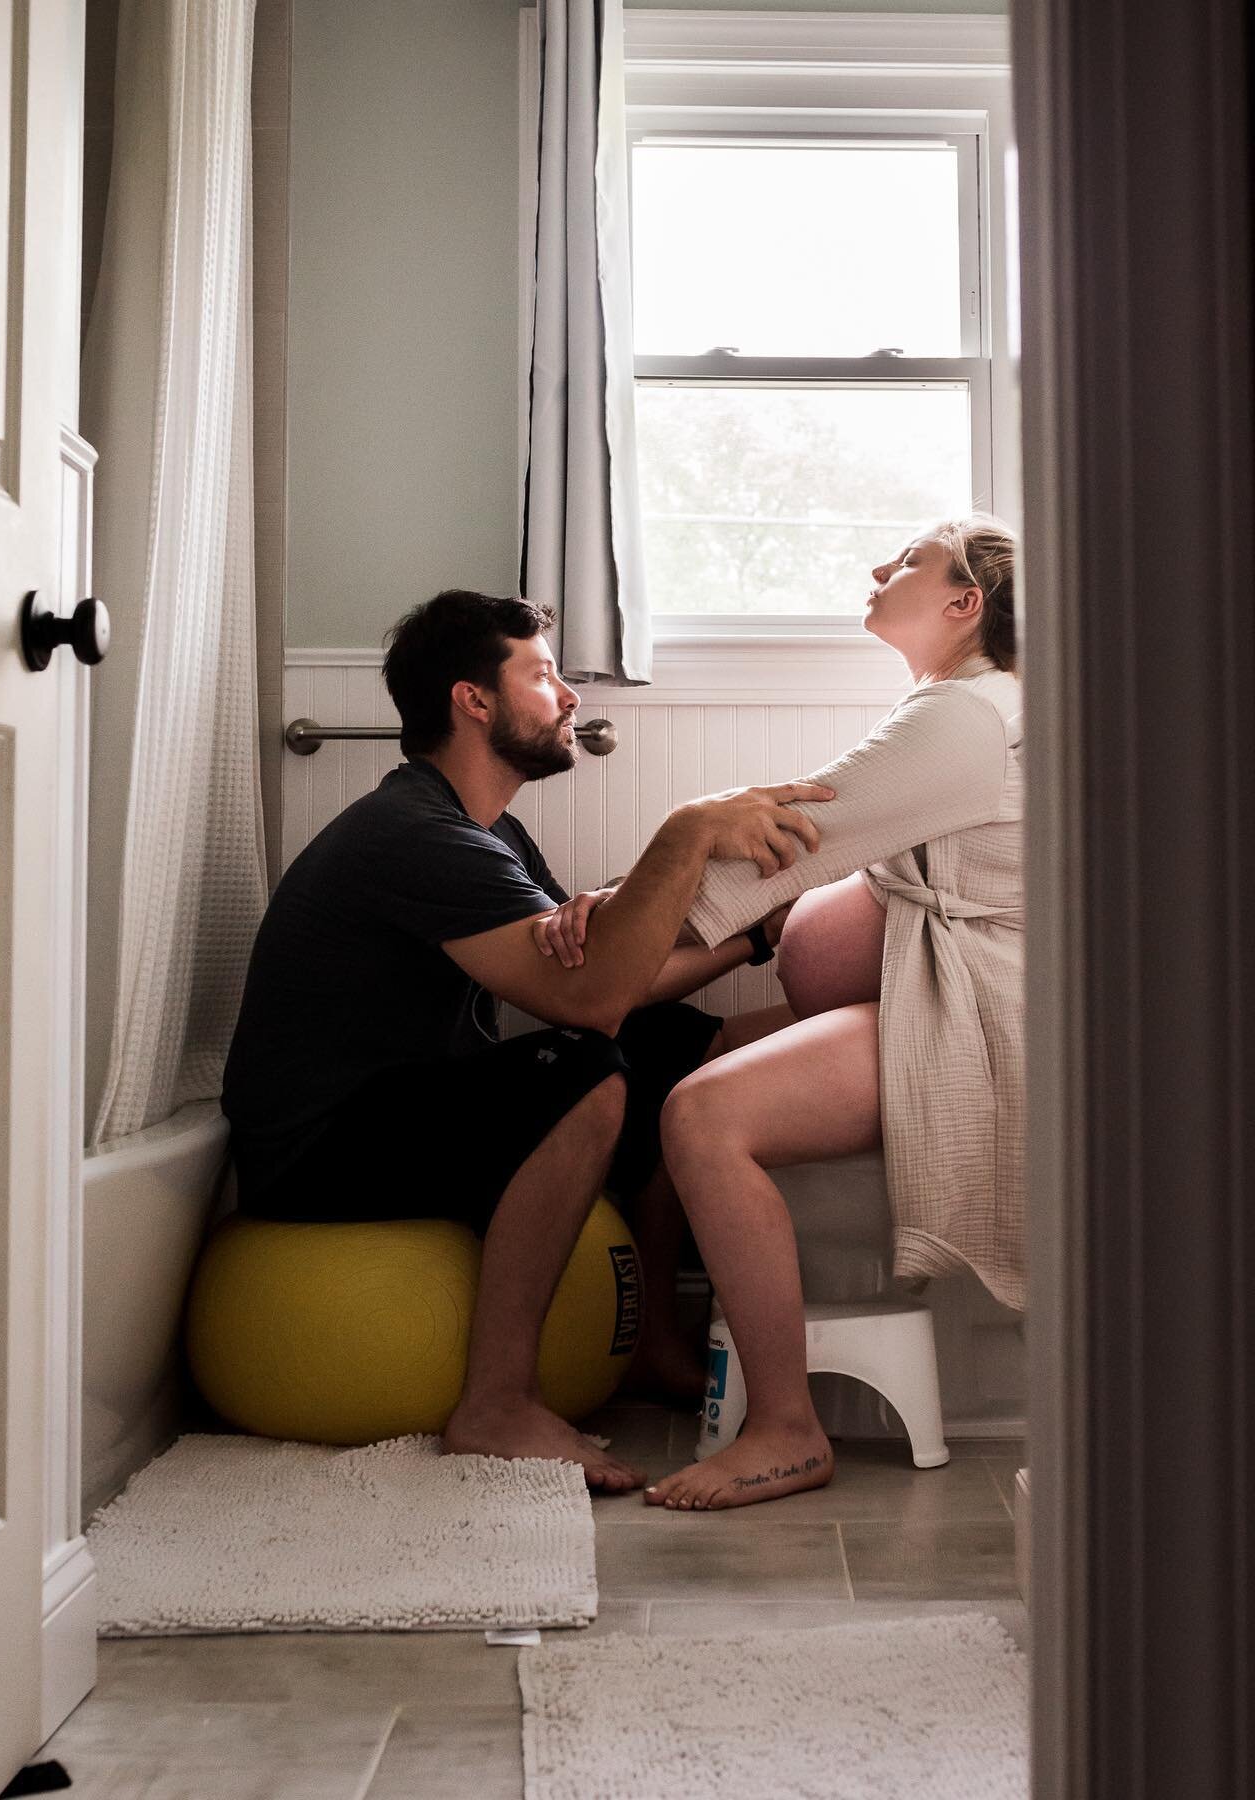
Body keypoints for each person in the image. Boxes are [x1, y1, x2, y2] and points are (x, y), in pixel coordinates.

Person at [221, 590, 834, 1492]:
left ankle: (656, 1344)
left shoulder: (490, 831)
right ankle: (496, 1404)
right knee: (584, 1068)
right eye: (542, 674)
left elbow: (614, 988)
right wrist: (692, 828)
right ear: (474, 701)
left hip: (401, 1108)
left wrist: (754, 938)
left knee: (662, 1052)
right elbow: (588, 1005)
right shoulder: (417, 834)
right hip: (318, 1148)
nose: (569, 696)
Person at [626, 516, 1025, 1511]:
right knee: (689, 1070)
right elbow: (799, 823)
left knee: (704, 1116)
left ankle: (785, 1429)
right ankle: (663, 1347)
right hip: (930, 994)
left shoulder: (966, 719)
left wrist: (616, 915)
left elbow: (793, 836)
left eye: (908, 562)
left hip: (971, 1018)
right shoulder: (965, 706)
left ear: (963, 603)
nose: (879, 570)